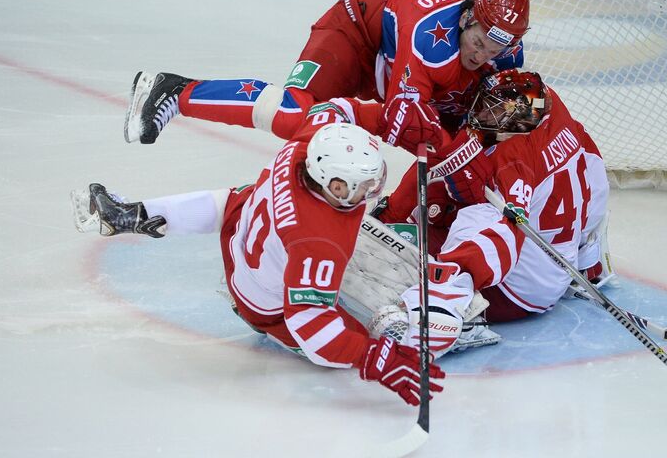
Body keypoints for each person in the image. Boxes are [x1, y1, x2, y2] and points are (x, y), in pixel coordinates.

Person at [72, 119, 444, 406]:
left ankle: (134, 213)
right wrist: (372, 356)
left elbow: (338, 110)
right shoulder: (318, 240)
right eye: (359, 186)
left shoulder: (299, 150)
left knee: (239, 199)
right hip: (264, 309)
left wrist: (387, 119)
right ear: (333, 185)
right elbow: (311, 329)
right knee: (350, 337)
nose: (370, 192)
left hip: (240, 236)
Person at [124, 0, 530, 153]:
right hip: (353, 31)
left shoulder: (504, 51)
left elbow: (491, 119)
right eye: (478, 43)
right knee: (295, 116)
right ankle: (175, 91)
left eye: (496, 49)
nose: (483, 55)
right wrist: (455, 156)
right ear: (466, 19)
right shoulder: (429, 36)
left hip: (388, 60)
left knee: (465, 126)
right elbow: (399, 119)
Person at [368, 69, 611, 353]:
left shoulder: (509, 158)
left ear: (520, 119)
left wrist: (452, 283)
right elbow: (596, 188)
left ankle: (457, 314)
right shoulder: (558, 117)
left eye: (495, 112)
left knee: (410, 241)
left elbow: (503, 231)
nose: (482, 116)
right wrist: (588, 261)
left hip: (514, 293)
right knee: (456, 176)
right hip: (556, 269)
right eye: (487, 106)